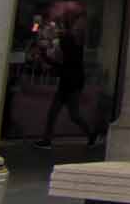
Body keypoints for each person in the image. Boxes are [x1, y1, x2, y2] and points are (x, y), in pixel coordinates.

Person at [34, 12, 97, 149]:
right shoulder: (74, 43)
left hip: (69, 83)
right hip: (73, 82)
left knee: (61, 113)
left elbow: (60, 64)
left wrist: (45, 55)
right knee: (71, 114)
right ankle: (90, 134)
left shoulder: (69, 44)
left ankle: (47, 140)